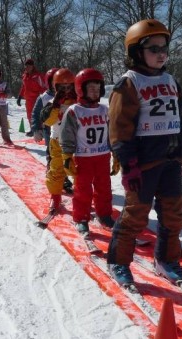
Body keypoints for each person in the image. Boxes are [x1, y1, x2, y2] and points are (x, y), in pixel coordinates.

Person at [106, 19, 182, 287]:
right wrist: (128, 163)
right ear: (136, 52)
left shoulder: (171, 81)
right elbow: (119, 128)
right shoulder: (129, 83)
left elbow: (179, 118)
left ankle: (166, 259)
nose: (161, 54)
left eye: (164, 48)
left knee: (174, 215)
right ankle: (118, 262)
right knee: (136, 216)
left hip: (170, 160)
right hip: (143, 164)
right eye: (153, 48)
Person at [60, 68, 118, 234]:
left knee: (104, 188)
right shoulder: (74, 111)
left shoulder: (104, 110)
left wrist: (115, 153)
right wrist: (67, 156)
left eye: (98, 88)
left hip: (102, 156)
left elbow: (111, 133)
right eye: (91, 88)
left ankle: (104, 214)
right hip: (83, 157)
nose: (95, 91)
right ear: (81, 89)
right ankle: (81, 217)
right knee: (83, 190)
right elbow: (67, 135)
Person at [43, 68, 77, 211]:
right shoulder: (51, 103)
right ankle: (55, 197)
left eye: (69, 87)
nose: (66, 90)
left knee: (78, 171)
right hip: (57, 141)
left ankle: (81, 196)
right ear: (56, 87)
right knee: (56, 171)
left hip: (75, 143)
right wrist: (56, 105)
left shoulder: (78, 102)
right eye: (62, 87)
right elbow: (48, 121)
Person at [17, 58, 46, 134]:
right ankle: (33, 129)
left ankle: (40, 130)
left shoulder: (38, 76)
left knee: (37, 115)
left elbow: (44, 87)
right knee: (29, 115)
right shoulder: (25, 76)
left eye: (29, 66)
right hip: (28, 99)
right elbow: (23, 87)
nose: (27, 68)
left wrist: (45, 98)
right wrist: (20, 96)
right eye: (26, 66)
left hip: (37, 99)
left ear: (33, 66)